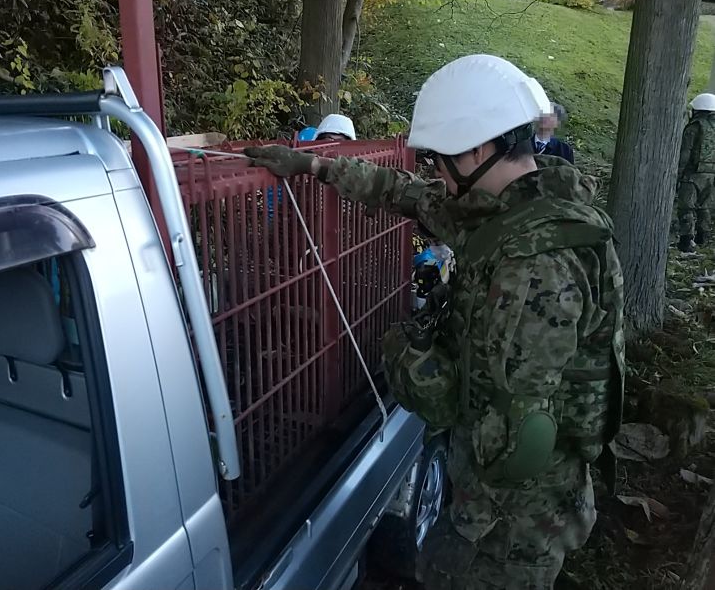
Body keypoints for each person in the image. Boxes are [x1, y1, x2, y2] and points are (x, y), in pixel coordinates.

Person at [245, 54, 624, 589]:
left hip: (507, 528)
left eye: (438, 160)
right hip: (511, 502)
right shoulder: (519, 210)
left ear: (477, 151)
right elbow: (404, 192)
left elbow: (511, 437)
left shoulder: (532, 268)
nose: (435, 174)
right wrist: (313, 167)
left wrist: (408, 359)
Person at [676, 93, 715, 252]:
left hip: (692, 174)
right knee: (704, 206)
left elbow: (685, 152)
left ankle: (686, 241)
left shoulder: (694, 127)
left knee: (687, 207)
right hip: (711, 174)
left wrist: (678, 173)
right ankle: (703, 238)